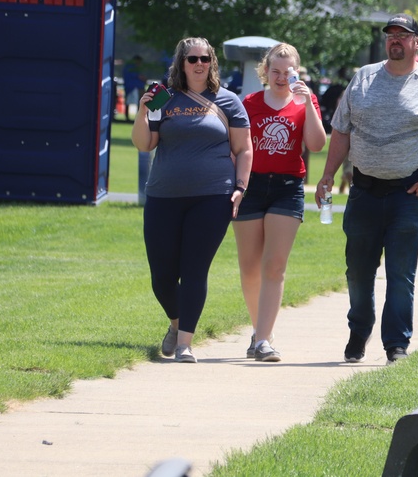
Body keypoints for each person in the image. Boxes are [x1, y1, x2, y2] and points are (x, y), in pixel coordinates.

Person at [316, 13, 418, 364]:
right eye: (390, 35)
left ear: (417, 42)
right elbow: (342, 131)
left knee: (400, 272)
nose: (395, 40)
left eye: (403, 35)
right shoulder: (363, 79)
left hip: (408, 194)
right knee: (358, 272)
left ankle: (397, 344)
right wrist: (328, 174)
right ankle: (359, 329)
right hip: (363, 191)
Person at [131, 38, 252, 363]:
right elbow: (145, 144)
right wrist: (143, 111)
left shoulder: (228, 101)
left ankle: (185, 343)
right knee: (162, 276)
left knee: (194, 270)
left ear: (212, 63)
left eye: (204, 58)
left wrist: (240, 186)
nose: (199, 64)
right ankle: (176, 323)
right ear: (181, 64)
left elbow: (244, 149)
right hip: (163, 195)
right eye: (192, 59)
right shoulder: (163, 99)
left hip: (213, 196)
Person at [232, 43, 327, 362]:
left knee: (274, 265)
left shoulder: (305, 101)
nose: (281, 77)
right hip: (252, 186)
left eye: (288, 71)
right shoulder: (250, 102)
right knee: (249, 268)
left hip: (288, 187)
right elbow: (237, 146)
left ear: (297, 72)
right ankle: (261, 331)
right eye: (275, 70)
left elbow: (315, 144)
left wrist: (308, 103)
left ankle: (263, 340)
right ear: (265, 71)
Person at [122, 54, 146, 122]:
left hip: (130, 87)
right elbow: (140, 77)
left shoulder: (128, 67)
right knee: (139, 103)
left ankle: (129, 117)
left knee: (129, 103)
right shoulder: (132, 68)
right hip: (135, 87)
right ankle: (136, 117)